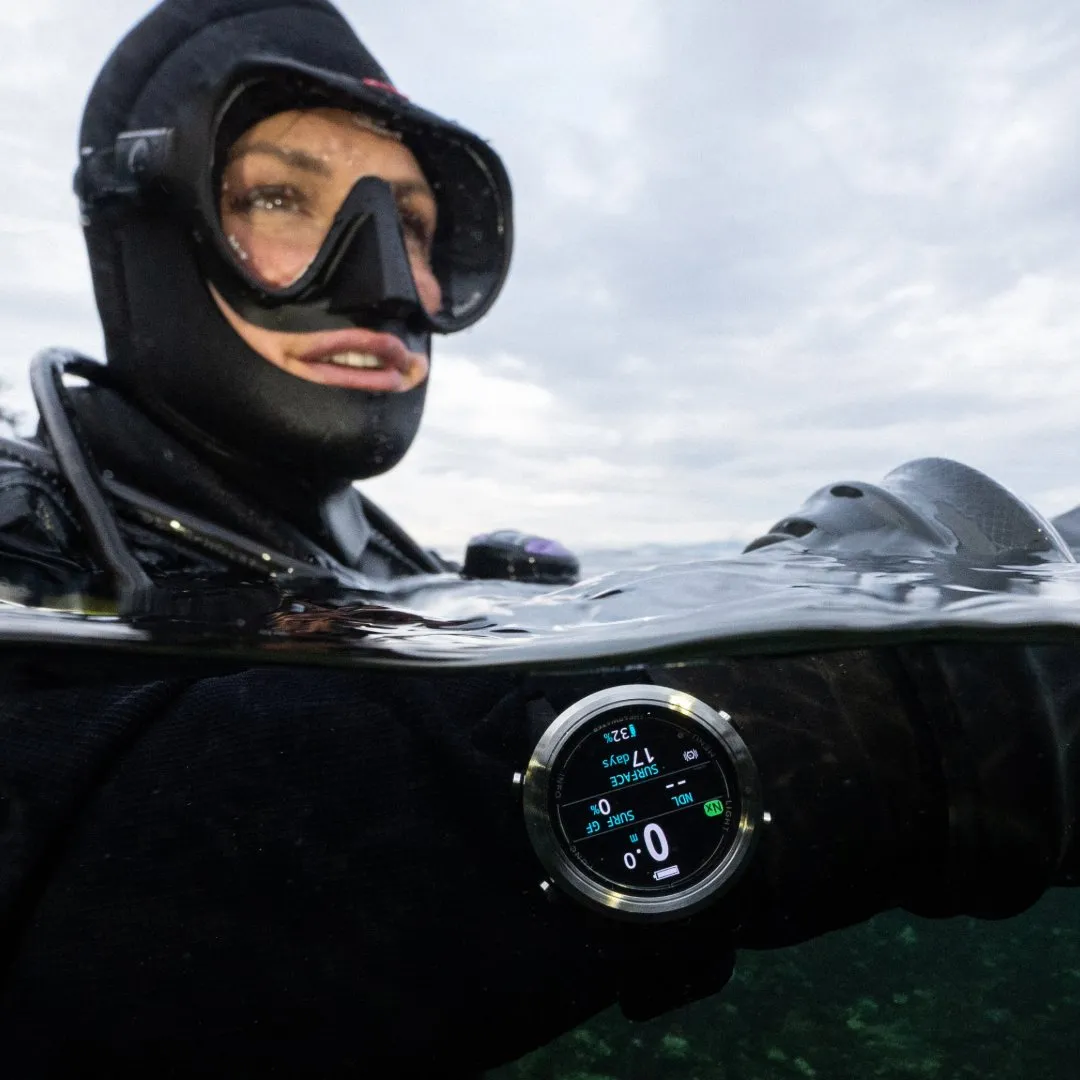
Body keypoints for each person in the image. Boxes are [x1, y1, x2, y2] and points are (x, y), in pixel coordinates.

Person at [0, 0, 576, 609]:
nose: (387, 289)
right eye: (276, 198)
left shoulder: (394, 567)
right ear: (149, 237)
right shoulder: (30, 554)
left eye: (409, 222)